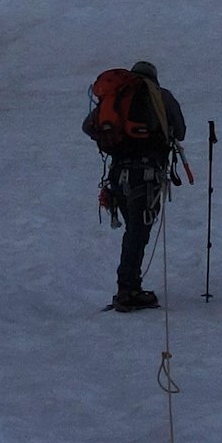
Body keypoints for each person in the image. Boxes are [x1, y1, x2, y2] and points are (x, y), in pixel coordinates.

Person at [82, 58, 188, 312]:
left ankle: (129, 286)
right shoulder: (161, 96)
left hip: (118, 173)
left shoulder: (117, 97)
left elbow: (88, 126)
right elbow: (181, 131)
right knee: (138, 233)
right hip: (147, 173)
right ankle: (128, 290)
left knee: (133, 230)